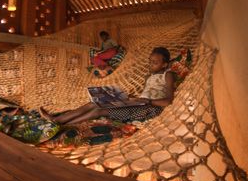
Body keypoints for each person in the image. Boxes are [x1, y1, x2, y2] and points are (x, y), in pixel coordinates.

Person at [41, 47, 175, 125]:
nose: (151, 65)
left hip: (149, 110)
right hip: (139, 104)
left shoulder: (168, 75)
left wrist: (147, 101)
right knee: (94, 103)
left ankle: (63, 125)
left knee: (98, 110)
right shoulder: (149, 76)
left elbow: (168, 101)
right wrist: (129, 97)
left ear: (164, 64)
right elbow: (144, 95)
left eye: (155, 62)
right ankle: (56, 119)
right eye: (150, 61)